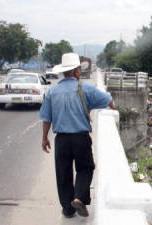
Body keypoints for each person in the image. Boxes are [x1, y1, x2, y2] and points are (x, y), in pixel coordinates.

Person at [38, 53, 116, 218]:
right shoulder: (86, 88)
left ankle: (68, 209)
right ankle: (79, 198)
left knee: (63, 173)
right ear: (76, 71)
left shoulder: (53, 92)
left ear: (64, 72)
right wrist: (115, 110)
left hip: (61, 140)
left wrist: (44, 138)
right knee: (86, 168)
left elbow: (46, 118)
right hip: (80, 138)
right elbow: (107, 99)